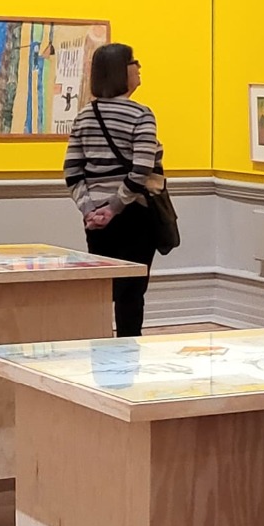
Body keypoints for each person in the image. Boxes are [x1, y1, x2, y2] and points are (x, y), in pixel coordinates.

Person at [64, 43, 162, 336]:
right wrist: (115, 207)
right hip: (134, 214)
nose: (139, 67)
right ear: (121, 71)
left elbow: (72, 171)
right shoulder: (141, 115)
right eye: (134, 62)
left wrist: (90, 209)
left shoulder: (84, 116)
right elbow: (141, 169)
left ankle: (99, 351)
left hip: (96, 219)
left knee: (104, 289)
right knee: (131, 294)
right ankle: (127, 355)